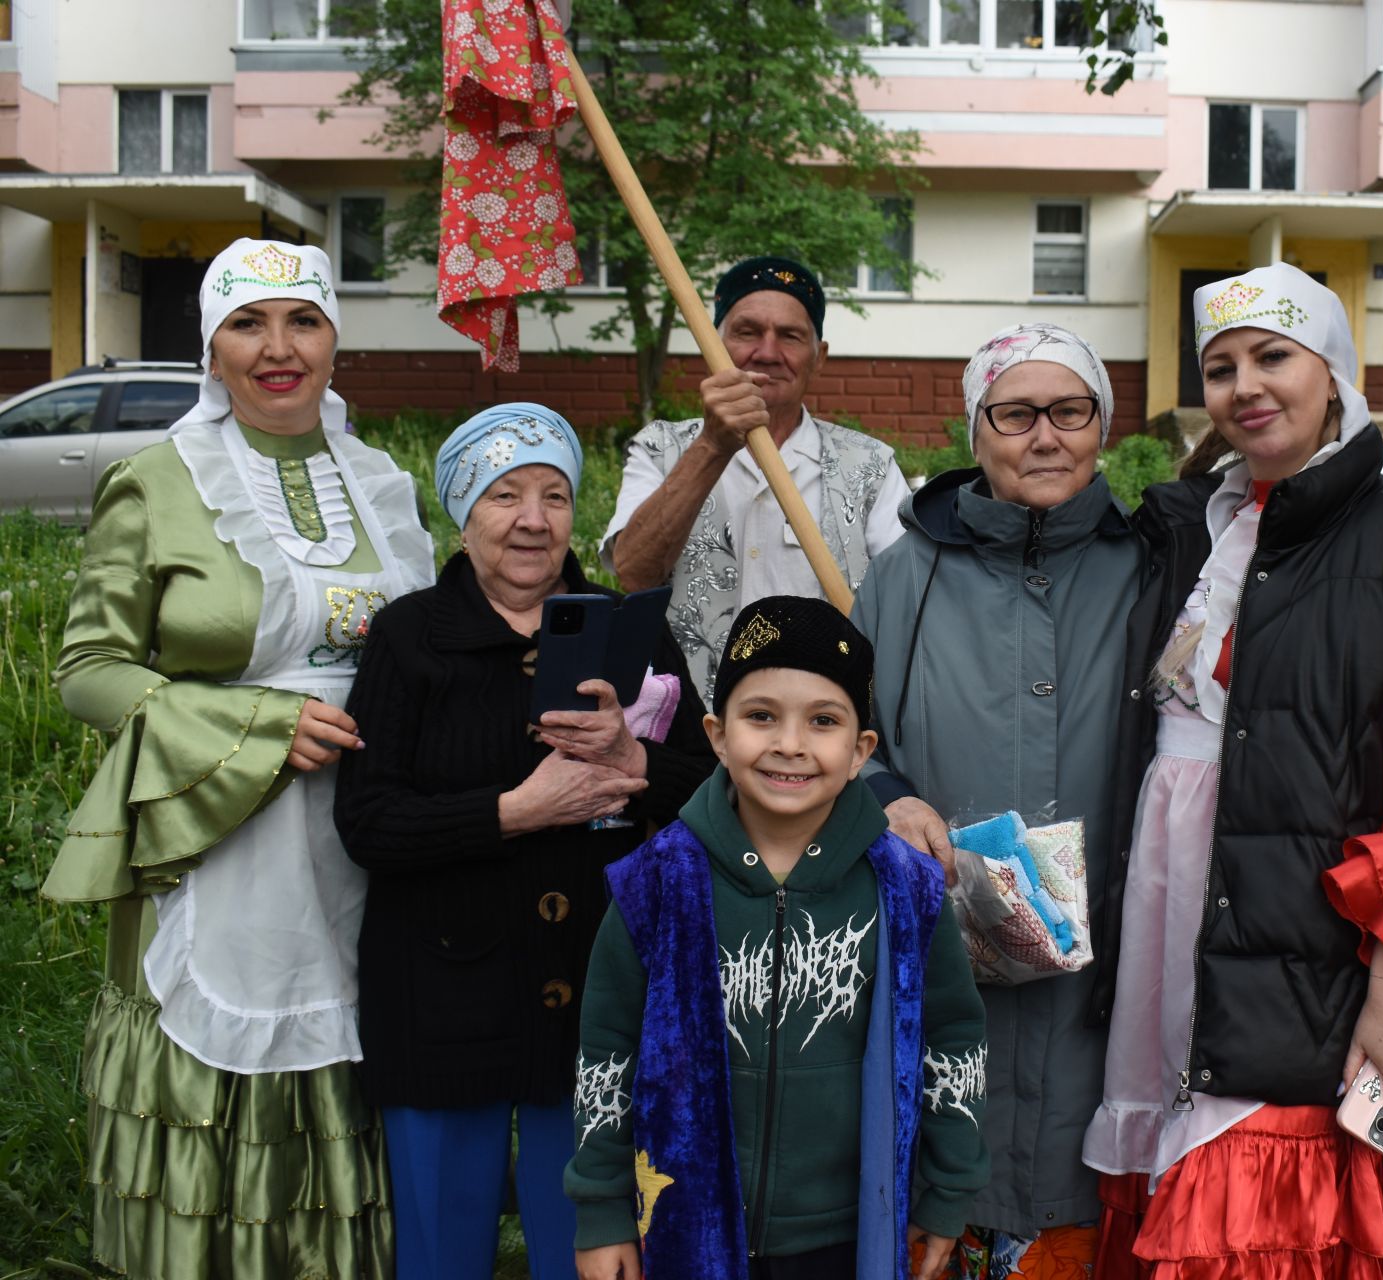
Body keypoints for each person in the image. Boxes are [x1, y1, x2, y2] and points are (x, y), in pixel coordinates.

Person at [1083, 263, 1383, 1278]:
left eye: (1274, 356)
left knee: (1268, 1193)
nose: (1247, 384)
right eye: (1222, 366)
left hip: (1306, 917)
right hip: (1164, 894)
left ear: (1333, 372)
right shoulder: (1188, 529)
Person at [42, 238, 435, 1277]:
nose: (277, 348)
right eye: (246, 324)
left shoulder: (383, 483)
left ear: (333, 341)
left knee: (350, 1026)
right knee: (219, 1031)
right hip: (209, 826)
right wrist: (253, 730)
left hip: (359, 833)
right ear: (210, 348)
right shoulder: (160, 479)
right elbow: (89, 666)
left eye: (301, 321)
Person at [330, 404, 714, 1280]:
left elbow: (710, 794)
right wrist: (514, 810)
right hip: (436, 994)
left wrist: (637, 762)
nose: (533, 519)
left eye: (554, 495)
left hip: (597, 996)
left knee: (590, 1245)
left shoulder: (634, 630)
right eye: (504, 496)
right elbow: (368, 822)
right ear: (462, 517)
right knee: (439, 1242)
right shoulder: (408, 639)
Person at [565, 595, 991, 1280]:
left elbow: (954, 1039)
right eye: (761, 716)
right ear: (717, 735)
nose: (790, 744)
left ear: (859, 752)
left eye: (822, 721)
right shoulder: (656, 883)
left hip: (849, 1231)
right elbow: (605, 1055)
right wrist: (603, 1210)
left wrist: (948, 1192)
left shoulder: (905, 890)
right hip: (685, 1223)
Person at [852, 322, 1141, 1278]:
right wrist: (884, 793)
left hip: (1113, 973)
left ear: (1104, 426)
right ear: (976, 434)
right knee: (949, 1168)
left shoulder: (1157, 570)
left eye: (1070, 411)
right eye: (1015, 414)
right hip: (947, 952)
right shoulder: (902, 579)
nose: (1044, 436)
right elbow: (840, 741)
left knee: (1086, 1182)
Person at [600, 255, 912, 701]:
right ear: (714, 345)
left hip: (824, 729)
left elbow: (907, 605)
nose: (767, 353)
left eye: (790, 336)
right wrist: (712, 445)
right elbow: (634, 573)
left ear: (818, 358)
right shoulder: (660, 449)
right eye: (747, 332)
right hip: (689, 727)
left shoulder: (871, 466)